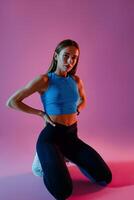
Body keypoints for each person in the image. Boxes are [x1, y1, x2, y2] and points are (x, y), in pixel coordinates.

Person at [6, 39, 112, 200]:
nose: (70, 61)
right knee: (63, 192)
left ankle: (65, 156)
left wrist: (77, 109)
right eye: (66, 56)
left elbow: (83, 100)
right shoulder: (44, 80)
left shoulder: (76, 81)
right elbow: (12, 102)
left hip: (71, 137)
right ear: (56, 56)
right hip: (51, 138)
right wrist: (41, 114)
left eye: (74, 57)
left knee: (105, 176)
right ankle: (41, 164)